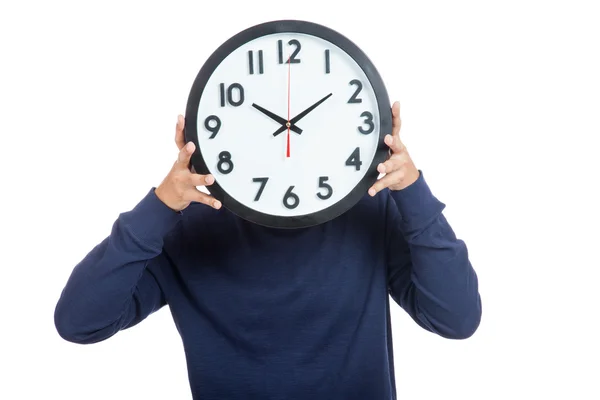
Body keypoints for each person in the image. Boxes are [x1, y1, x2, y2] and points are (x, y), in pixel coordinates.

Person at [54, 101, 481, 400]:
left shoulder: (368, 209)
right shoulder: (185, 229)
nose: (284, 140)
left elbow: (456, 318)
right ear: (192, 136)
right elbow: (79, 321)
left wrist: (411, 190)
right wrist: (161, 205)